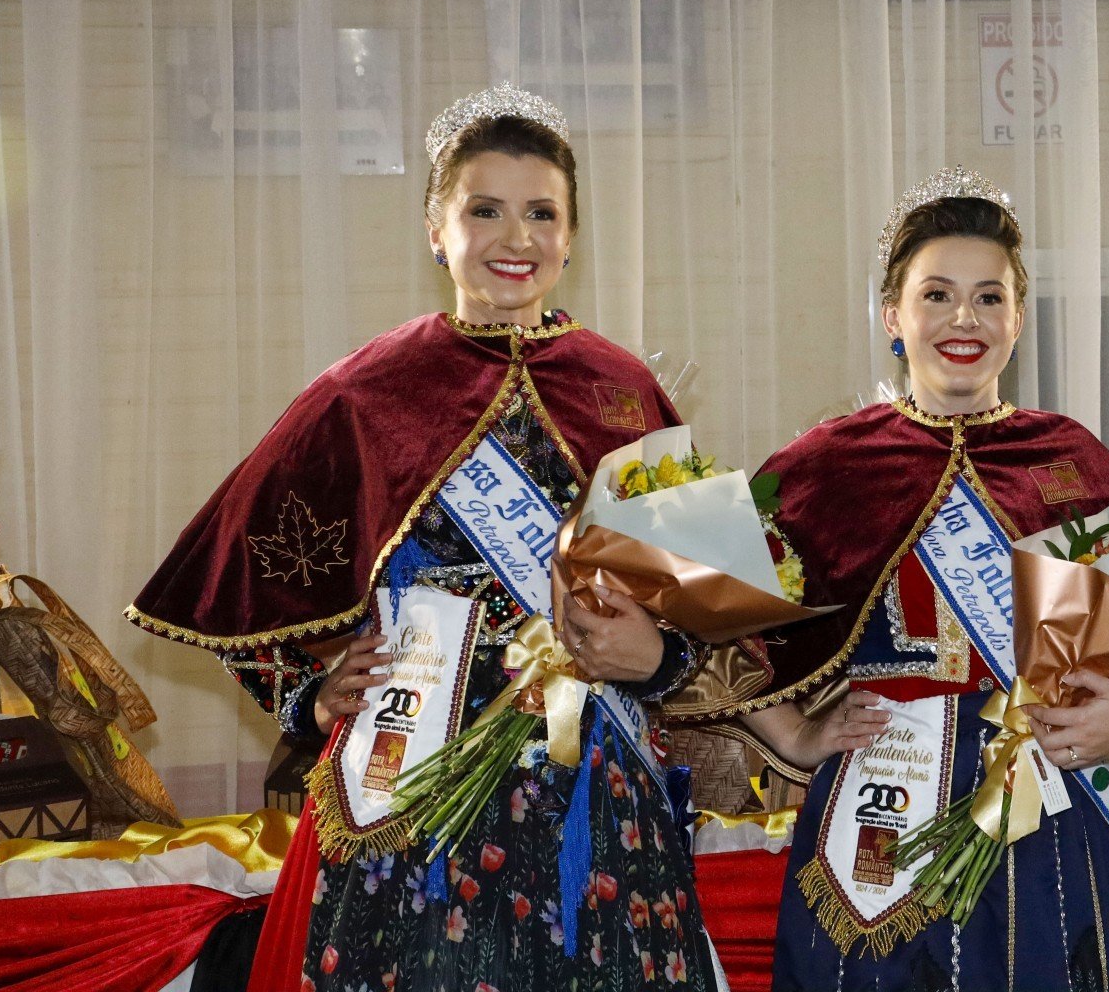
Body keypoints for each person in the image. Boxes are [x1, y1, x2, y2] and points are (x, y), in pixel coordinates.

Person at [127, 83, 720, 992]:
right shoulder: (366, 394)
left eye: (541, 214)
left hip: (598, 793)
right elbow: (236, 578)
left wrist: (657, 658)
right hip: (415, 787)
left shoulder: (624, 391)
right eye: (484, 210)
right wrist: (307, 697)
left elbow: (707, 608)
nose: (514, 239)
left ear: (570, 237)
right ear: (436, 230)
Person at [724, 167, 1109, 992]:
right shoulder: (825, 466)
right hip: (880, 812)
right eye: (936, 295)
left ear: (1017, 320)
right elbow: (710, 615)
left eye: (988, 298)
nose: (962, 319)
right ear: (892, 316)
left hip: (1055, 812)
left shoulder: (1070, 460)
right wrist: (790, 732)